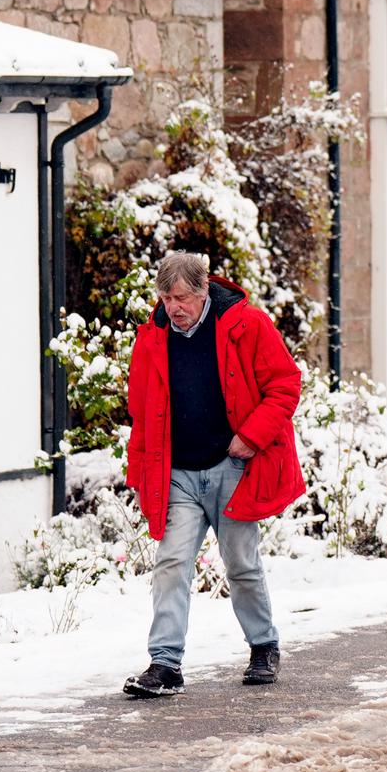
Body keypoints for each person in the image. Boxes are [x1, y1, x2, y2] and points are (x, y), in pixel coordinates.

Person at [121, 250, 304, 698]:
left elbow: (286, 384)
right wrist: (145, 469)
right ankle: (165, 664)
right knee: (170, 564)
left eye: (182, 297)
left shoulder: (247, 325)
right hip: (178, 472)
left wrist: (252, 436)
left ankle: (263, 647)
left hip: (233, 466)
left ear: (204, 291)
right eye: (166, 298)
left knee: (241, 563)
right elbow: (140, 410)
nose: (174, 307)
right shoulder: (152, 338)